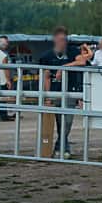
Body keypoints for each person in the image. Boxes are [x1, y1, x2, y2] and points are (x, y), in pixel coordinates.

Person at [36, 26, 89, 159]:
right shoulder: (47, 56)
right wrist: (47, 96)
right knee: (52, 123)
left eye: (64, 39)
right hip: (54, 92)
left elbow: (82, 61)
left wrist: (64, 67)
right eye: (60, 40)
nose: (62, 42)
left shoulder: (72, 51)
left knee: (66, 123)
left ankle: (60, 147)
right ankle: (61, 148)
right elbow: (46, 77)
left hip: (69, 92)